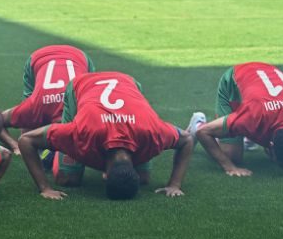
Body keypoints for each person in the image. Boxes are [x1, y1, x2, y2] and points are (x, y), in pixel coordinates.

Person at [18, 71, 193, 200]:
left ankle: (58, 145)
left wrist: (174, 184)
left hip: (128, 84)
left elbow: (187, 139)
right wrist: (44, 188)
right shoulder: (82, 132)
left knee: (145, 180)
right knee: (67, 179)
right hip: (82, 85)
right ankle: (52, 152)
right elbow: (26, 140)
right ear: (105, 175)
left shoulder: (152, 134)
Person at [188, 62, 283, 176]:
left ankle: (248, 135)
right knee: (232, 155)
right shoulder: (254, 116)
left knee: (251, 123)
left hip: (264, 81)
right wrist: (230, 167)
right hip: (236, 77)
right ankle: (197, 123)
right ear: (271, 145)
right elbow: (204, 132)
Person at [0, 45, 94, 155]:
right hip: (43, 58)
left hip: (78, 57)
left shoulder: (36, 108)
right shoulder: (35, 108)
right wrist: (16, 145)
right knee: (27, 131)